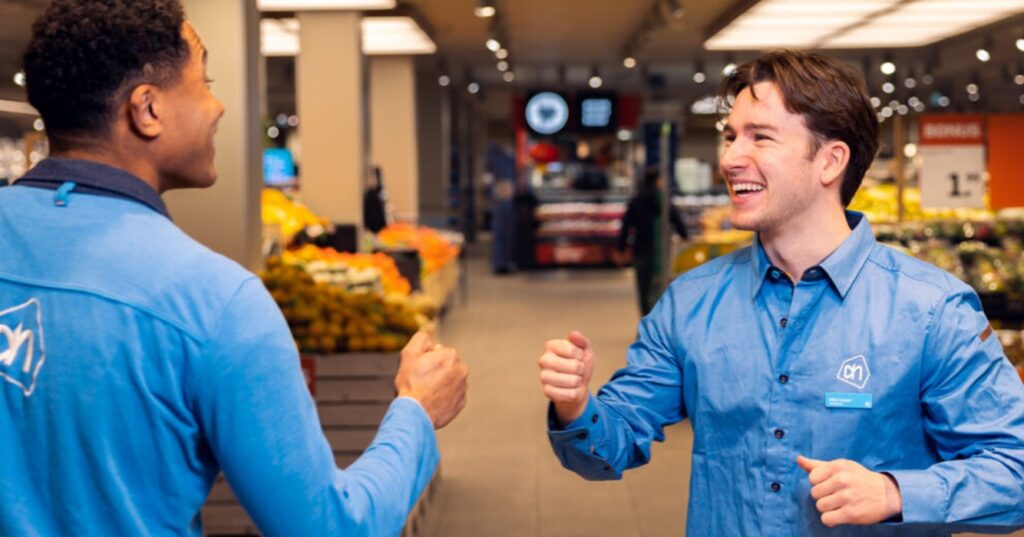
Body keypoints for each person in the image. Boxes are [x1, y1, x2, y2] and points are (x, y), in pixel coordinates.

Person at [0, 1, 468, 536]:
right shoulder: (215, 301)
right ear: (146, 109)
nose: (219, 106)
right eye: (206, 81)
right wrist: (416, 414)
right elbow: (330, 527)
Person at [538, 50, 1024, 536]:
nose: (729, 158)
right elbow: (607, 447)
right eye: (729, 137)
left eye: (760, 138)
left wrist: (895, 493)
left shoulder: (931, 310)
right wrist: (577, 405)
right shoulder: (691, 303)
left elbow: (1014, 472)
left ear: (831, 161)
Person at [617, 167, 689, 315]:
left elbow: (626, 225)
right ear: (657, 180)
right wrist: (684, 236)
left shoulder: (636, 199)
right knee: (660, 286)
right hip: (660, 250)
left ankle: (645, 318)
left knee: (643, 288)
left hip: (641, 249)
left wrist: (622, 246)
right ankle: (659, 318)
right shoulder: (662, 199)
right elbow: (676, 219)